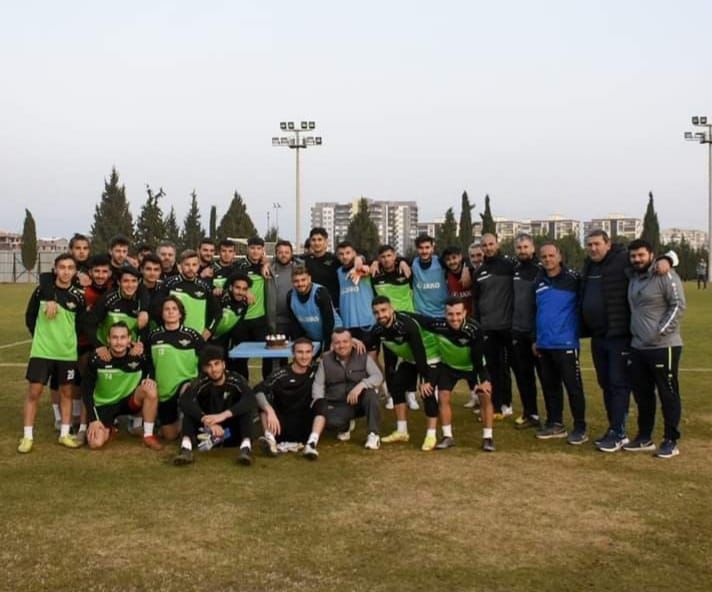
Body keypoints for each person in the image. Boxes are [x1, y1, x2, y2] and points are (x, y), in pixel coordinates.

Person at [580, 229, 672, 452]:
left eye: (597, 244)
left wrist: (668, 259)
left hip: (619, 336)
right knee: (605, 384)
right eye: (589, 244)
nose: (593, 248)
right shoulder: (589, 265)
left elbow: (648, 261)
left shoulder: (623, 259)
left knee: (618, 383)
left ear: (608, 243)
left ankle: (619, 433)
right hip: (598, 336)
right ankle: (613, 428)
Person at [18, 254, 87, 453]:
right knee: (34, 392)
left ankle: (64, 434)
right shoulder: (42, 291)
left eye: (70, 268)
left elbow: (80, 324)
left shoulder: (78, 296)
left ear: (75, 271)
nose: (66, 271)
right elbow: (30, 316)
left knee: (66, 392)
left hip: (66, 353)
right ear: (55, 269)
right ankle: (27, 436)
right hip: (42, 352)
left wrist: (68, 341)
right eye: (62, 267)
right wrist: (39, 337)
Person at [624, 239, 686, 458]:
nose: (637, 259)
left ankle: (670, 440)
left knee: (668, 394)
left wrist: (659, 333)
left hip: (663, 346)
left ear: (651, 255)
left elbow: (678, 305)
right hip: (638, 346)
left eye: (641, 255)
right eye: (633, 256)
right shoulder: (633, 277)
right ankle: (644, 437)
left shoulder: (664, 274)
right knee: (642, 395)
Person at [415, 297, 494, 451]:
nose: (455, 318)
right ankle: (447, 436)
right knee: (443, 396)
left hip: (473, 366)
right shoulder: (438, 325)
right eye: (450, 314)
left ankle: (488, 438)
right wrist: (396, 313)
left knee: (485, 396)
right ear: (445, 314)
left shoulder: (474, 329)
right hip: (450, 367)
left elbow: (478, 359)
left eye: (458, 314)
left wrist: (483, 380)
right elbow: (419, 319)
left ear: (465, 313)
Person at [533, 243, 587, 445]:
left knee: (573, 387)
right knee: (550, 387)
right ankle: (555, 424)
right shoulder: (538, 281)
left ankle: (580, 427)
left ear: (559, 256)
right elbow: (535, 311)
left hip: (566, 343)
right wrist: (535, 339)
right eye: (544, 256)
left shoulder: (573, 279)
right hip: (544, 344)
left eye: (551, 255)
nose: (548, 259)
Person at [368, 297, 439, 449]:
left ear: (391, 309)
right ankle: (402, 431)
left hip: (429, 356)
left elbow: (419, 352)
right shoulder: (377, 329)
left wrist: (425, 379)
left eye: (383, 310)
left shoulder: (406, 325)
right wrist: (382, 378)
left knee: (427, 391)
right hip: (411, 359)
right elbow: (375, 355)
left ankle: (431, 435)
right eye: (376, 312)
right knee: (396, 386)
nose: (380, 315)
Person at [82, 322, 162, 450]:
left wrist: (150, 378)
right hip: (104, 405)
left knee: (150, 389)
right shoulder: (97, 359)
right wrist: (93, 419)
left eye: (123, 337)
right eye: (115, 337)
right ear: (108, 339)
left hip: (128, 402)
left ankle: (148, 435)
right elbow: (86, 391)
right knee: (95, 443)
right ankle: (109, 428)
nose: (119, 342)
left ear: (129, 339)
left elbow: (150, 367)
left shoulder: (138, 355)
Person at [174, 345, 257, 466]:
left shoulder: (236, 380)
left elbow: (251, 399)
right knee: (188, 412)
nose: (214, 369)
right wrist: (205, 420)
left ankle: (246, 449)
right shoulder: (200, 382)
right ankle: (185, 449)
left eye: (216, 364)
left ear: (223, 364)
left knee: (246, 410)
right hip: (208, 430)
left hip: (232, 429)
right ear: (204, 368)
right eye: (209, 366)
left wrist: (224, 415)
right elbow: (184, 401)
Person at [310, 328, 383, 449]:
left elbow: (378, 376)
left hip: (359, 402)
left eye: (345, 341)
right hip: (337, 403)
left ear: (351, 342)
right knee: (327, 423)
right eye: (337, 342)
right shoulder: (325, 360)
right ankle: (346, 426)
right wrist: (318, 402)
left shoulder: (362, 356)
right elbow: (318, 384)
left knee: (371, 395)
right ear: (332, 344)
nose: (342, 345)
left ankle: (373, 434)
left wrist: (362, 385)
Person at [253, 338, 326, 457]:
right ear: (293, 353)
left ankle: (311, 444)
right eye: (300, 352)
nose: (304, 356)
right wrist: (269, 411)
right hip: (280, 427)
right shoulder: (281, 374)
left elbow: (337, 354)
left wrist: (353, 341)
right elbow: (258, 390)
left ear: (313, 353)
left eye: (308, 352)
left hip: (305, 427)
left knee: (321, 402)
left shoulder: (317, 371)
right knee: (264, 401)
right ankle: (270, 441)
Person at [146, 296, 204, 441]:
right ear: (162, 314)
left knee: (186, 391)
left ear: (180, 314)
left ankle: (188, 422)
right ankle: (175, 420)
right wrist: (150, 378)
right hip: (165, 391)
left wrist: (200, 379)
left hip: (187, 383)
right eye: (167, 309)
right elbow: (149, 362)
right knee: (170, 436)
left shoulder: (192, 335)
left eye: (174, 309)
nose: (171, 312)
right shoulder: (154, 336)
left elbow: (206, 359)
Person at [472, 233, 515, 419]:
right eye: (484, 245)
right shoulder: (479, 271)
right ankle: (496, 407)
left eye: (491, 244)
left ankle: (507, 403)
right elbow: (476, 300)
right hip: (487, 327)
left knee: (508, 368)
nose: (488, 248)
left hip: (507, 326)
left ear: (497, 244)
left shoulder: (509, 266)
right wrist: (478, 324)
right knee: (492, 368)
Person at [510, 234, 542, 429]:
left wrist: (537, 334)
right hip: (518, 331)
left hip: (537, 334)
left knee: (546, 378)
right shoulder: (514, 269)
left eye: (525, 247)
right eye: (519, 247)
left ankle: (554, 419)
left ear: (533, 248)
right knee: (524, 376)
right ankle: (530, 413)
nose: (522, 251)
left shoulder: (541, 270)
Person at [232, 236, 272, 379]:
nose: (255, 251)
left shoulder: (264, 265)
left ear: (263, 250)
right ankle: (243, 387)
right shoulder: (239, 266)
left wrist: (266, 264)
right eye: (252, 248)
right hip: (241, 320)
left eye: (258, 248)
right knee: (241, 358)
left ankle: (267, 386)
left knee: (268, 355)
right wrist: (245, 291)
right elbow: (231, 284)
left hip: (260, 319)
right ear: (247, 249)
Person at [162, 250, 220, 339]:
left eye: (194, 265)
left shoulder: (204, 286)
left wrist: (209, 330)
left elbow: (217, 312)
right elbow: (157, 309)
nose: (191, 268)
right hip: (172, 337)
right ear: (180, 265)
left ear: (198, 266)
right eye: (187, 264)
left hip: (197, 338)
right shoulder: (169, 284)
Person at [86, 266, 149, 348]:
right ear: (119, 282)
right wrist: (99, 347)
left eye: (134, 281)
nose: (130, 285)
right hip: (106, 349)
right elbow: (89, 324)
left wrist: (139, 344)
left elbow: (143, 329)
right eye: (126, 281)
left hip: (129, 349)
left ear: (138, 282)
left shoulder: (142, 300)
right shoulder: (108, 298)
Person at [287, 266, 342, 352]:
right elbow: (295, 325)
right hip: (313, 337)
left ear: (309, 279)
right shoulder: (290, 296)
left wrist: (326, 347)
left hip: (334, 334)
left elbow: (329, 322)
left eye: (303, 280)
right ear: (292, 281)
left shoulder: (320, 292)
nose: (300, 284)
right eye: (296, 281)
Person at [336, 241, 375, 342]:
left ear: (354, 253)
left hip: (365, 321)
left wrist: (361, 260)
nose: (345, 256)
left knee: (369, 351)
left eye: (348, 253)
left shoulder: (361, 267)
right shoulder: (338, 272)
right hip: (347, 322)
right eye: (341, 254)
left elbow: (367, 268)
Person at [411, 234, 449, 318]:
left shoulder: (441, 262)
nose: (424, 251)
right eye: (421, 248)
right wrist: (401, 261)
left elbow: (458, 262)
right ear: (417, 249)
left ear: (432, 248)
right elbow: (396, 262)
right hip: (421, 315)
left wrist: (465, 269)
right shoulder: (413, 264)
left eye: (427, 247)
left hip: (442, 313)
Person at [267, 239, 297, 339]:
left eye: (286, 252)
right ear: (276, 254)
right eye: (280, 252)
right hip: (278, 322)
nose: (283, 255)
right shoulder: (269, 270)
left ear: (291, 254)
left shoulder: (299, 268)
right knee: (278, 348)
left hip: (297, 319)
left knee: (297, 348)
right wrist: (267, 264)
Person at [371, 244, 414, 313]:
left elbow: (416, 261)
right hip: (387, 316)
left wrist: (402, 261)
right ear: (379, 259)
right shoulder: (375, 273)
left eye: (389, 255)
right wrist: (374, 262)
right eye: (383, 257)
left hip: (407, 314)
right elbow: (362, 263)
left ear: (394, 256)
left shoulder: (405, 270)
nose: (386, 259)